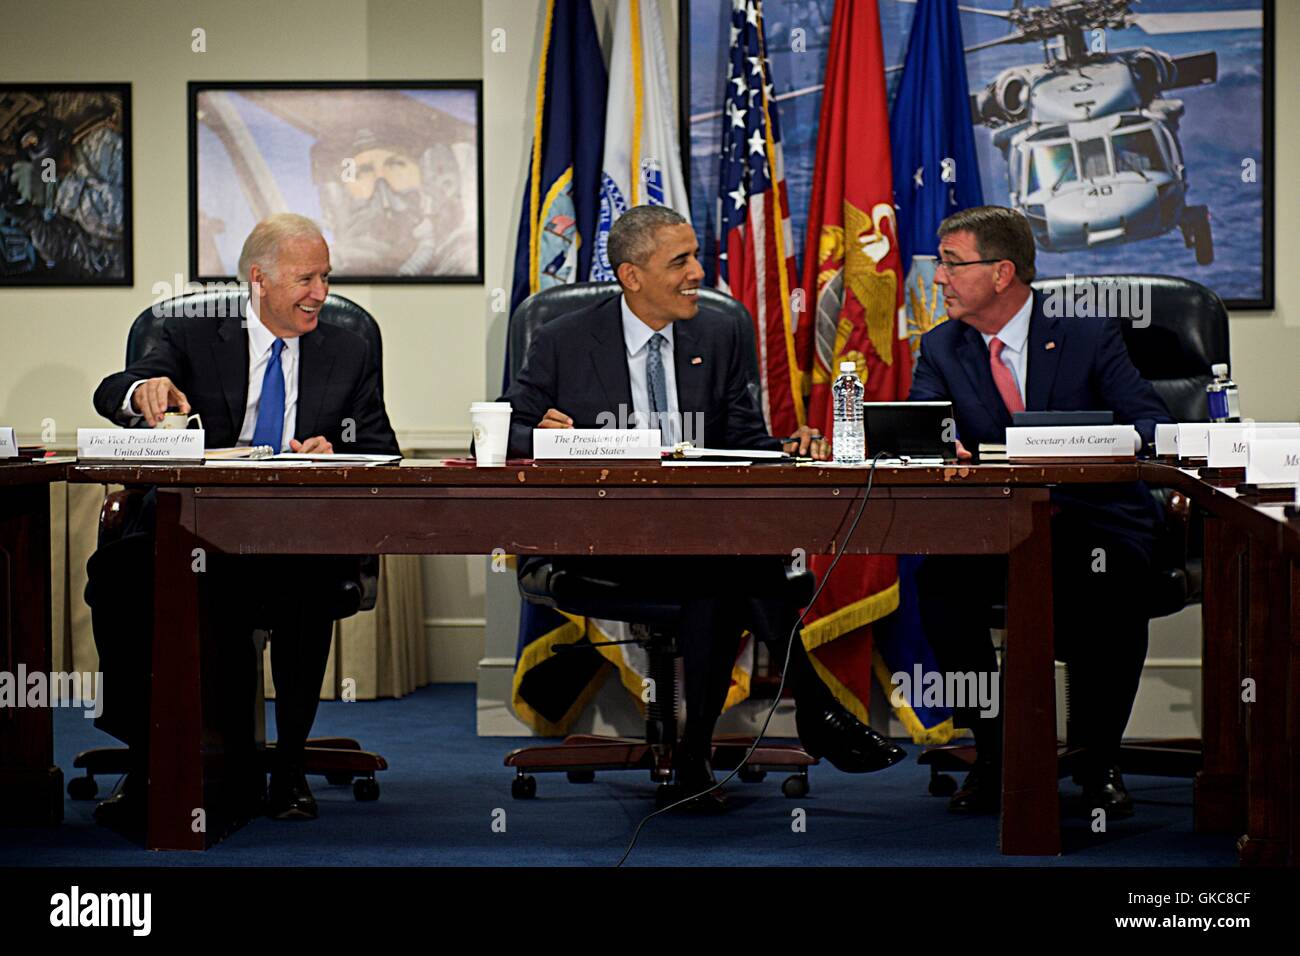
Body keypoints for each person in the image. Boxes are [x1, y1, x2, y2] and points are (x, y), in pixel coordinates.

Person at [499, 205, 905, 809]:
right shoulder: (562, 338)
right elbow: (506, 429)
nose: (697, 273)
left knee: (722, 578)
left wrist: (786, 448)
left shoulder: (715, 334)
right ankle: (801, 719)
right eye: (680, 261)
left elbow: (741, 438)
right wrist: (544, 435)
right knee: (745, 572)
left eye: (694, 256)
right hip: (604, 542)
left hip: (699, 538)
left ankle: (695, 757)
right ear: (632, 276)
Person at [88, 213, 399, 827]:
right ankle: (146, 754)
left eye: (326, 277)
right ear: (258, 280)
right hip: (188, 533)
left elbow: (380, 440)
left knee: (309, 584)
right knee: (119, 572)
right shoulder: (187, 330)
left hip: (293, 535)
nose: (321, 294)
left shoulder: (348, 347)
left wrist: (335, 450)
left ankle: (286, 770)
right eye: (305, 279)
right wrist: (143, 391)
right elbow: (115, 388)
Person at [908, 205, 1173, 817]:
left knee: (1110, 584)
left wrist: (1090, 445)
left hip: (1092, 519)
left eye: (951, 265)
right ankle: (997, 754)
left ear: (1002, 273)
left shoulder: (1085, 330)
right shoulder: (942, 346)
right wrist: (940, 447)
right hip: (995, 528)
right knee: (940, 586)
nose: (939, 279)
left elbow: (1151, 421)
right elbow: (925, 431)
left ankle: (1098, 758)